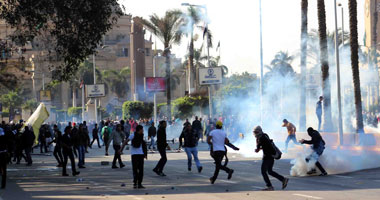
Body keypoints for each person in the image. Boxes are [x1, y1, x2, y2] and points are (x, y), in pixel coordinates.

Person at [254, 126, 289, 191]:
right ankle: (283, 179)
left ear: (259, 131)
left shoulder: (261, 138)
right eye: (254, 132)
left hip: (267, 157)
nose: (255, 134)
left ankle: (269, 186)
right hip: (271, 156)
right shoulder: (265, 135)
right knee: (270, 171)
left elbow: (258, 147)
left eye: (256, 132)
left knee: (263, 172)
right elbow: (265, 146)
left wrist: (257, 144)